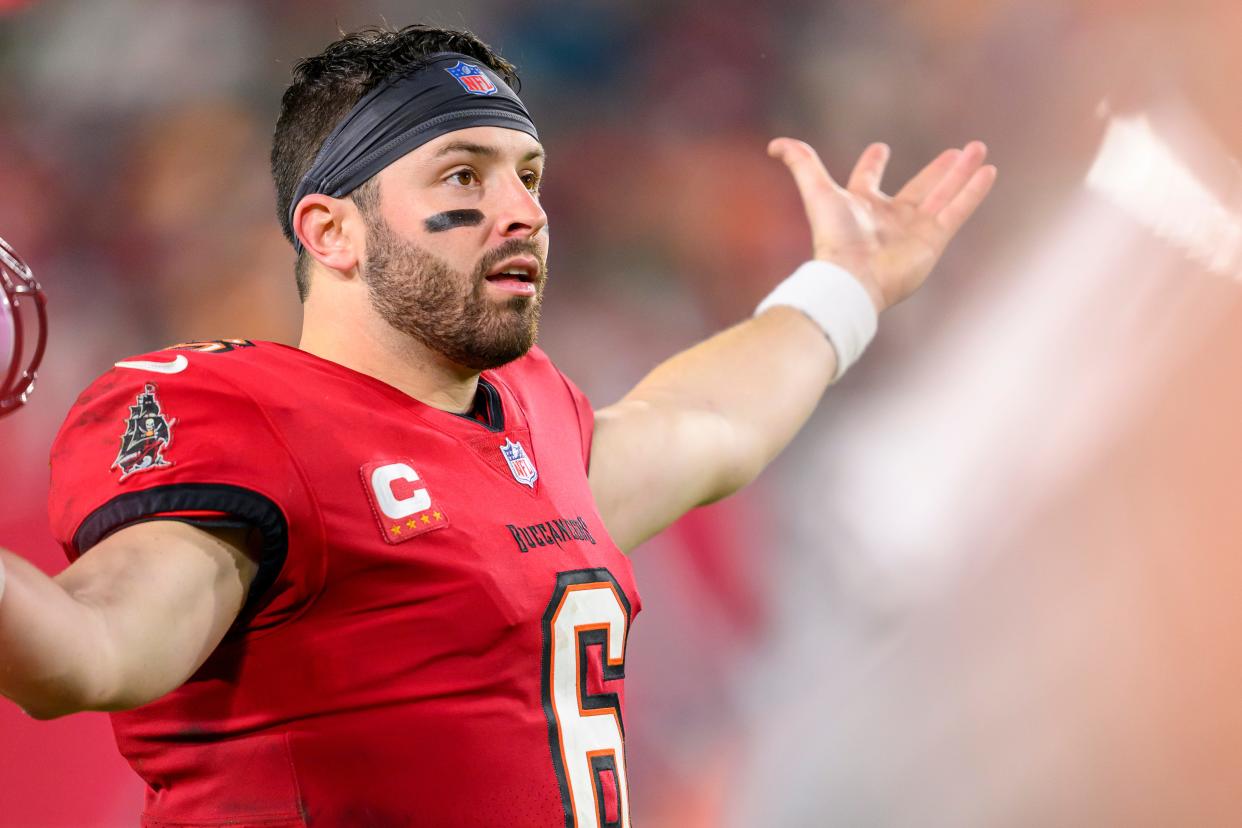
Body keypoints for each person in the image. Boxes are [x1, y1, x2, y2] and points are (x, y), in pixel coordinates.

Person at [0, 23, 995, 828]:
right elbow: (90, 646)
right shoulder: (253, 426)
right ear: (331, 231)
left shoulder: (529, 425)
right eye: (464, 176)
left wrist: (844, 287)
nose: (521, 210)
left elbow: (704, 423)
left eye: (527, 173)